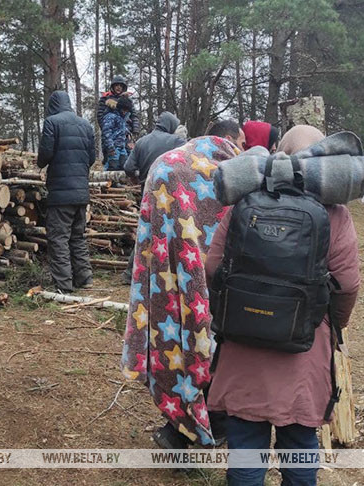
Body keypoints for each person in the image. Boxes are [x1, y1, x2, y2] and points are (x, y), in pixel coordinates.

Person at [206, 126, 361, 486]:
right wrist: (331, 326)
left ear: (280, 152)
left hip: (243, 343)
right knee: (300, 441)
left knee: (245, 440)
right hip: (302, 348)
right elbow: (348, 284)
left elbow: (213, 267)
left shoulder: (245, 201)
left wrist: (230, 313)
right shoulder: (335, 212)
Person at [121, 119, 244, 450]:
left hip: (170, 269)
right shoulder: (239, 170)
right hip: (224, 275)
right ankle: (210, 420)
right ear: (229, 137)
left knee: (174, 329)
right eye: (240, 140)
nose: (241, 147)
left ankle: (179, 424)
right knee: (217, 336)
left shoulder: (168, 164)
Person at [37, 91, 95, 293]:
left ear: (52, 104)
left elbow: (45, 154)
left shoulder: (52, 122)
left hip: (60, 193)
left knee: (58, 237)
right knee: (77, 236)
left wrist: (40, 164)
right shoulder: (85, 125)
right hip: (81, 192)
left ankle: (64, 285)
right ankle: (85, 278)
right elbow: (91, 157)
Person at [121, 111, 186, 283]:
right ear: (171, 125)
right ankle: (167, 275)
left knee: (146, 231)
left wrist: (138, 179)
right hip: (171, 194)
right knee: (173, 232)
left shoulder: (142, 142)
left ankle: (130, 273)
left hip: (147, 192)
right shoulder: (177, 142)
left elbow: (128, 167)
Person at [97, 75, 141, 167]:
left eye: (121, 86)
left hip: (126, 134)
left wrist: (135, 129)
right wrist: (110, 130)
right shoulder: (105, 98)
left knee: (126, 160)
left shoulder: (127, 100)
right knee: (111, 160)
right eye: (116, 85)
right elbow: (100, 116)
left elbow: (134, 115)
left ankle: (124, 180)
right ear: (112, 86)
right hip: (111, 134)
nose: (118, 87)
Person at [100, 96, 133, 170]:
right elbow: (106, 133)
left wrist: (128, 135)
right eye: (123, 109)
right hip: (114, 147)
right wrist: (110, 147)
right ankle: (108, 180)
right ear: (119, 108)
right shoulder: (110, 117)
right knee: (112, 166)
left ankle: (121, 181)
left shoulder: (122, 118)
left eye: (126, 110)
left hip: (122, 146)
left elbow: (122, 129)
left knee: (124, 166)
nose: (124, 112)